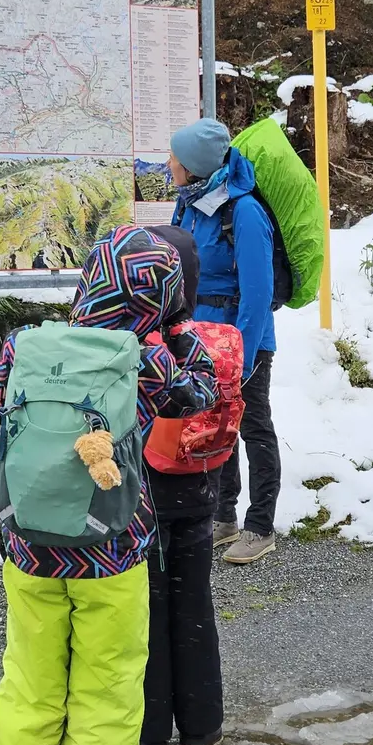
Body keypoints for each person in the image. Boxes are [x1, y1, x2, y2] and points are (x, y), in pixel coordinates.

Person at [0, 227, 217, 745]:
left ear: (90, 279)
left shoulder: (24, 345)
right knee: (104, 704)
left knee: (29, 699)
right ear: (154, 297)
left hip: (31, 556)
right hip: (114, 557)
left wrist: (21, 521)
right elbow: (202, 393)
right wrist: (178, 326)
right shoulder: (137, 359)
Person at [168, 118, 280, 565]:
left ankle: (260, 526)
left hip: (241, 339)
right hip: (200, 337)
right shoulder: (190, 202)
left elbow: (258, 292)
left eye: (175, 155)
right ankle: (223, 514)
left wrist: (246, 357)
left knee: (252, 427)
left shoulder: (244, 212)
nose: (169, 162)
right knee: (214, 425)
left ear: (192, 164)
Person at [136, 225, 227, 745]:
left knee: (146, 609)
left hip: (141, 494)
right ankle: (201, 731)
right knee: (194, 603)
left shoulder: (133, 343)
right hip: (197, 484)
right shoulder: (209, 340)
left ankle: (149, 739)